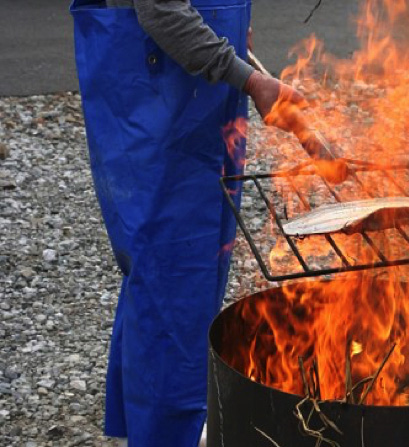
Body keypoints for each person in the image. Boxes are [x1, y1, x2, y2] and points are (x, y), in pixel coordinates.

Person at [70, 1, 306, 446]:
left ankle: (145, 429)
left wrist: (237, 34)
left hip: (199, 102)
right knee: (170, 280)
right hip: (158, 99)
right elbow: (161, 12)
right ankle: (164, 435)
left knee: (178, 278)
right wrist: (249, 78)